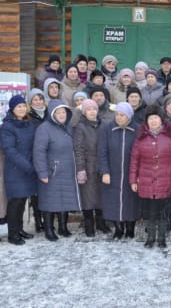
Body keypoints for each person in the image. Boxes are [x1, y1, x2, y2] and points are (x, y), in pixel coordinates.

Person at [129, 104, 171, 249]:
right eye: (150, 118)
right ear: (146, 121)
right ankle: (150, 237)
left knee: (163, 212)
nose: (153, 121)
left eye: (156, 118)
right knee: (150, 212)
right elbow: (134, 160)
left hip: (165, 180)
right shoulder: (140, 137)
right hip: (146, 180)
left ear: (161, 120)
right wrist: (133, 179)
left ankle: (161, 238)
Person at [33, 99, 82, 241]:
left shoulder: (68, 127)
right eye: (58, 112)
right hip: (51, 171)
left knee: (65, 199)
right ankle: (49, 229)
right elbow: (39, 152)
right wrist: (42, 172)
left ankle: (63, 226)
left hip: (68, 170)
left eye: (63, 112)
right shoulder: (44, 128)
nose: (62, 115)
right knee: (50, 201)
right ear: (52, 114)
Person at [98, 102, 140, 239]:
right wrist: (105, 171)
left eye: (122, 115)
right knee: (113, 201)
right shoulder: (107, 129)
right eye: (117, 115)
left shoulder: (137, 130)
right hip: (113, 172)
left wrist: (138, 174)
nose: (119, 118)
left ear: (129, 116)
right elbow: (102, 152)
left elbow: (142, 153)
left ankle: (130, 228)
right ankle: (118, 229)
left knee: (131, 201)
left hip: (131, 172)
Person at [0, 95, 37, 245]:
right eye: (18, 107)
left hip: (28, 167)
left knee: (23, 200)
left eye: (23, 106)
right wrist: (27, 166)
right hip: (15, 168)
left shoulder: (29, 124)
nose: (22, 109)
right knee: (15, 202)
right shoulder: (7, 126)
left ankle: (20, 229)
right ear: (12, 109)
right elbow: (9, 150)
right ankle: (12, 234)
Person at [74, 99, 111, 237]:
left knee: (101, 196)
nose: (92, 112)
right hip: (88, 165)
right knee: (88, 197)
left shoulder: (104, 125)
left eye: (94, 109)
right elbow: (78, 149)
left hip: (101, 165)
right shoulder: (80, 127)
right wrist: (81, 169)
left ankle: (101, 223)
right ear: (84, 112)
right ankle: (89, 225)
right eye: (88, 109)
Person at [28, 88, 48, 232]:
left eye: (40, 99)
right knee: (35, 191)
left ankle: (47, 218)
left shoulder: (48, 115)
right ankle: (38, 219)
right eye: (35, 99)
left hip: (48, 155)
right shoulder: (28, 116)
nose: (38, 102)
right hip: (32, 154)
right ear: (31, 102)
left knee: (46, 189)